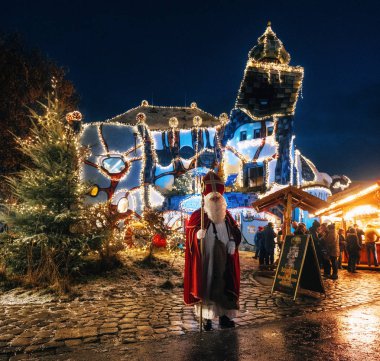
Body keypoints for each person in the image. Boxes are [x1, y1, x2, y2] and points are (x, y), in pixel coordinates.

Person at [184, 171, 241, 331]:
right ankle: (206, 319)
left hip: (225, 261)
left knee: (224, 285)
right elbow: (189, 236)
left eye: (218, 197)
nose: (216, 199)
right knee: (207, 286)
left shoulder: (227, 216)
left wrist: (232, 242)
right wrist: (196, 235)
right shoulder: (198, 217)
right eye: (212, 197)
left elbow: (236, 233)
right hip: (206, 261)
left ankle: (224, 317)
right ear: (206, 198)